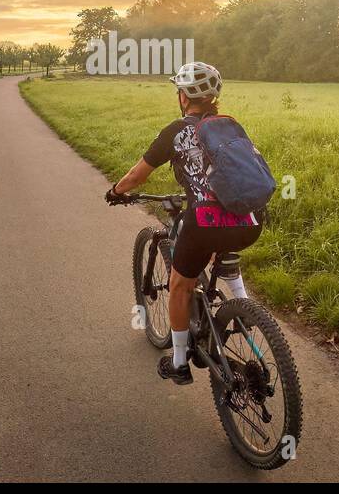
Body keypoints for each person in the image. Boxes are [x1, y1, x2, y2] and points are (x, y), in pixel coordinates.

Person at [105, 62, 262, 385]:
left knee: (180, 284)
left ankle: (178, 363)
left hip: (204, 223)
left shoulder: (175, 131)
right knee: (227, 249)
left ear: (184, 97)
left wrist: (115, 191)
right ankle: (245, 314)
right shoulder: (232, 126)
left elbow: (137, 175)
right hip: (250, 220)